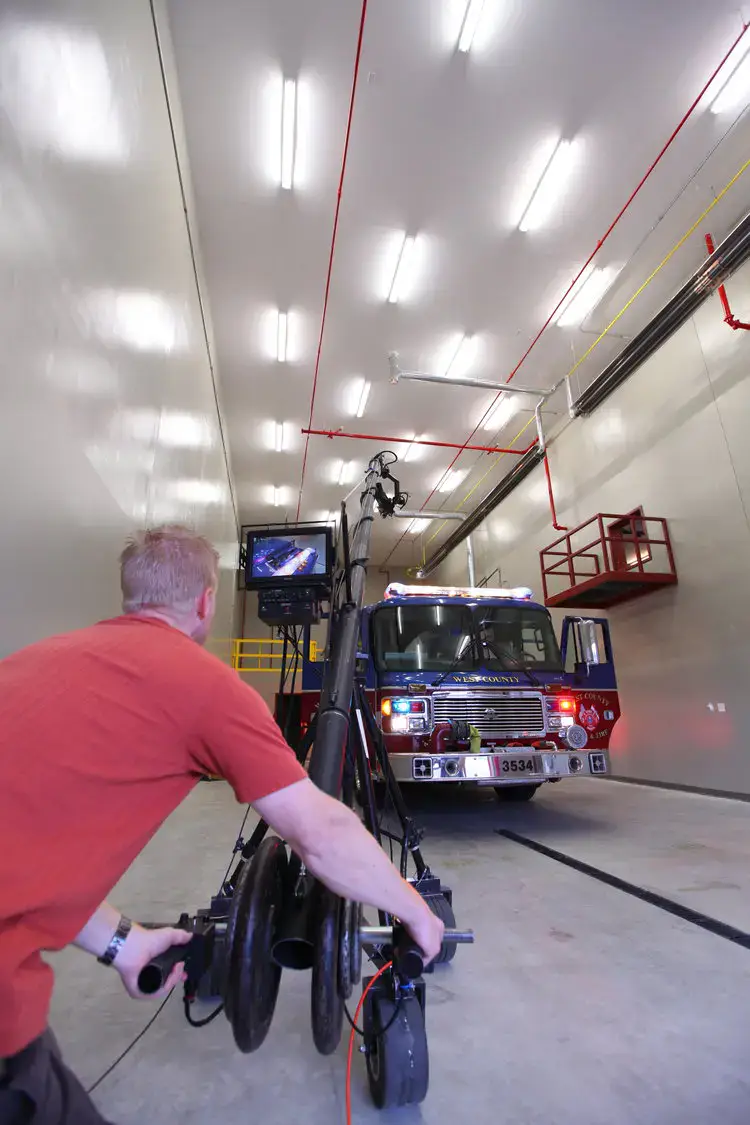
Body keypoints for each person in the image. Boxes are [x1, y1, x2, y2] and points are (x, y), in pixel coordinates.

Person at [0, 525, 444, 1125]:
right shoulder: (203, 685)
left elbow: (28, 841)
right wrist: (415, 910)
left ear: (129, 594)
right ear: (207, 601)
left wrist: (123, 943)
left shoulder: (34, 660)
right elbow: (320, 834)